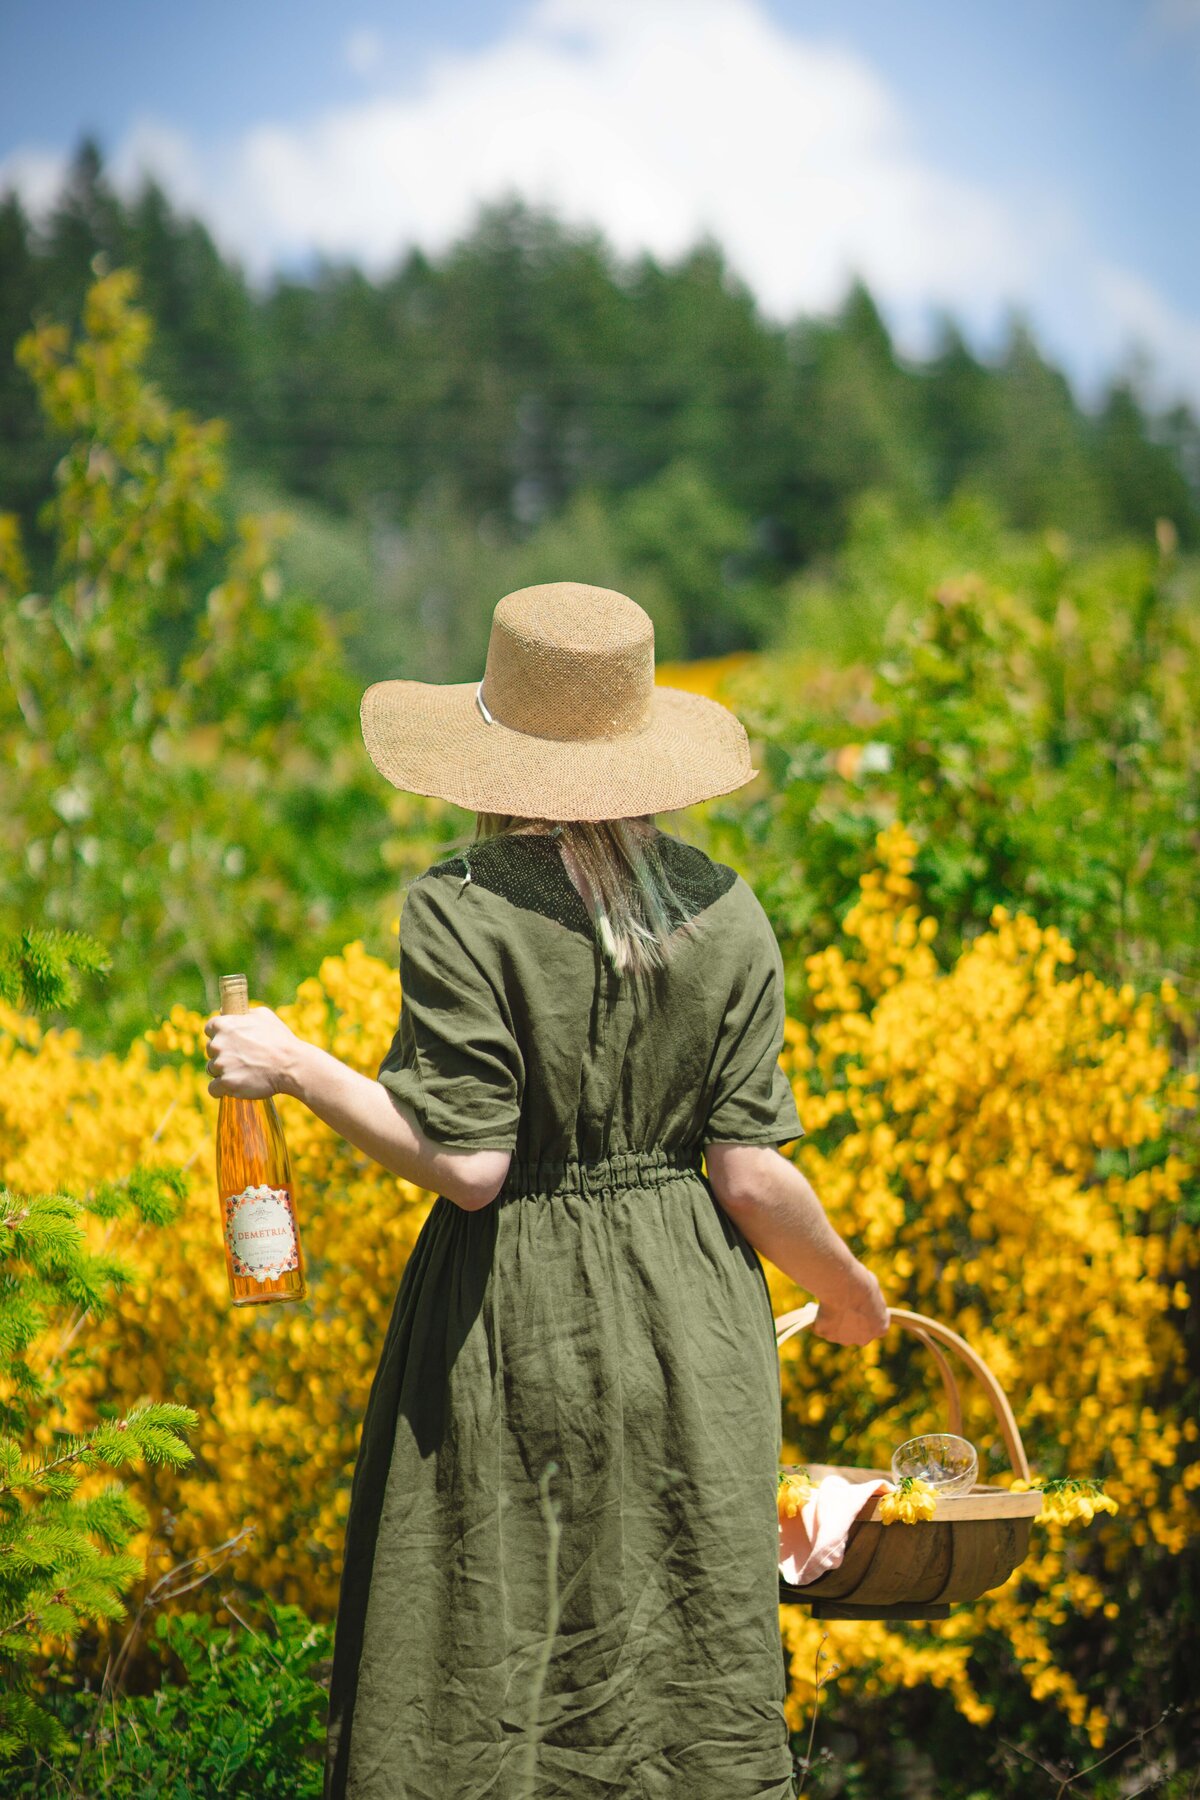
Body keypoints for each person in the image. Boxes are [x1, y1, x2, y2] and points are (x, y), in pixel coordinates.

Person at [203, 581, 889, 1800]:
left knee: (483, 1670)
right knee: (683, 1684)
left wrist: (295, 1065)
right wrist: (849, 1290)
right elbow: (749, 1172)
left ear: (492, 749)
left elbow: (470, 1169)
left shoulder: (459, 908)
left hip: (509, 1327)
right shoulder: (727, 912)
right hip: (697, 1334)